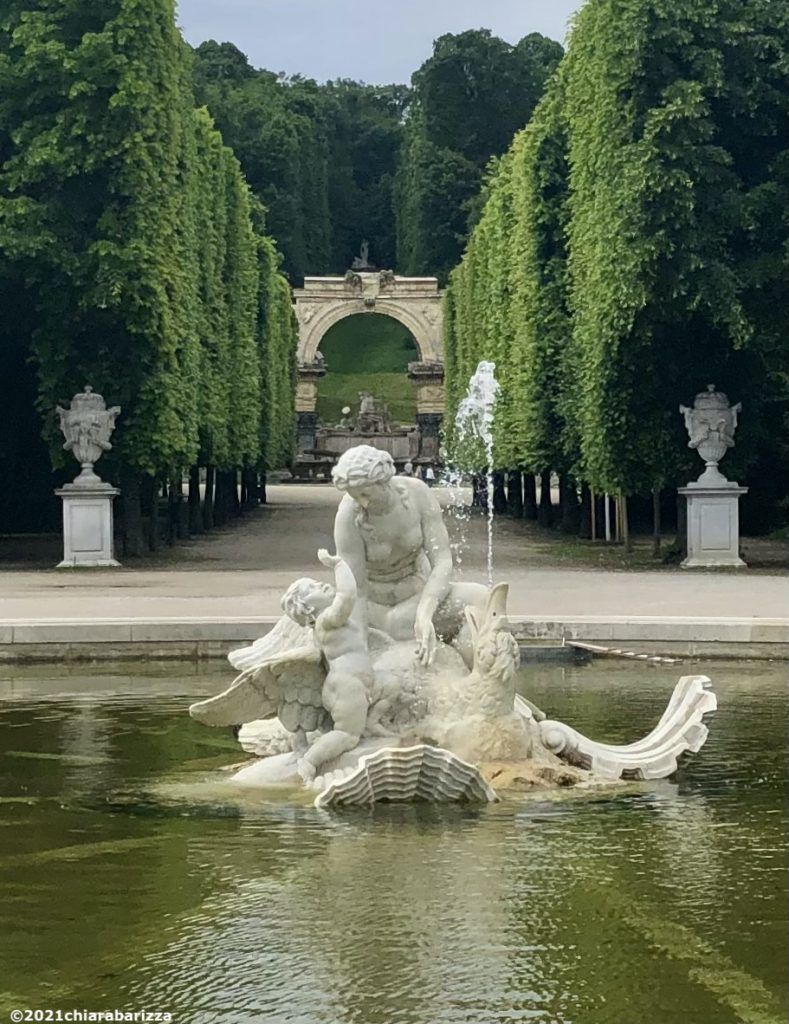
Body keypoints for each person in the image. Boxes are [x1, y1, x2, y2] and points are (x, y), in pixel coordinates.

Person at [331, 445, 486, 667]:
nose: (362, 503)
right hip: (380, 610)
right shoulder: (348, 517)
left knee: (483, 598)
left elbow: (442, 560)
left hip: (419, 597)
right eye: (356, 497)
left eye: (365, 493)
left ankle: (473, 678)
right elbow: (356, 591)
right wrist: (359, 651)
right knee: (395, 625)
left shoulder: (418, 494)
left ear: (383, 481)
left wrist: (425, 611)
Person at [280, 549, 372, 782]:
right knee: (347, 734)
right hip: (346, 685)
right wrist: (339, 564)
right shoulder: (327, 621)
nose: (319, 584)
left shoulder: (329, 626)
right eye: (310, 589)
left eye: (315, 582)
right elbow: (348, 596)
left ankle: (375, 726)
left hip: (358, 683)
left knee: (392, 686)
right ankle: (310, 763)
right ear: (308, 609)